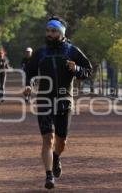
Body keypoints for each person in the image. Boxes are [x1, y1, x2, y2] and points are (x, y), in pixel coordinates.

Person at [23, 16, 93, 189]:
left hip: (64, 100)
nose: (50, 34)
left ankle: (56, 157)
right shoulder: (40, 53)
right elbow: (29, 73)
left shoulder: (72, 51)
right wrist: (28, 86)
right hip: (44, 100)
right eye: (48, 31)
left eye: (53, 31)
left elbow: (88, 70)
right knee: (48, 138)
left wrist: (75, 69)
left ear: (61, 33)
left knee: (61, 142)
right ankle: (48, 176)